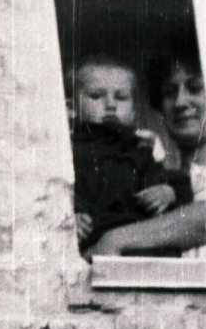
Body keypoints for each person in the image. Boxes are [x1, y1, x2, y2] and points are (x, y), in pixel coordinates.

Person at [90, 34, 206, 257]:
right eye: (170, 92)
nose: (181, 102)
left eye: (194, 88)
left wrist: (116, 239)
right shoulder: (160, 178)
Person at [69, 56, 190, 256]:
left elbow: (175, 180)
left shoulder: (141, 148)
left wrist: (168, 192)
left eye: (121, 97)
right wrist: (69, 216)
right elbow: (58, 191)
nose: (110, 104)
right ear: (72, 108)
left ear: (134, 111)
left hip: (140, 245)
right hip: (93, 244)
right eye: (96, 96)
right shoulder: (70, 150)